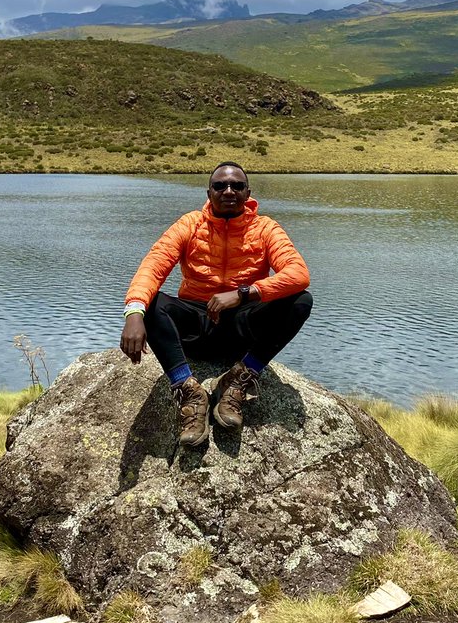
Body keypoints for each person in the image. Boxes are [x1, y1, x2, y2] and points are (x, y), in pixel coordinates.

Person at [120, 162, 313, 447]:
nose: (228, 191)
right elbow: (153, 266)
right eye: (220, 185)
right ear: (209, 192)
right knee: (153, 301)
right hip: (195, 328)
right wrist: (134, 311)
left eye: (237, 185)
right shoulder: (190, 224)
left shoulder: (265, 228)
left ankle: (238, 380)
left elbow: (298, 274)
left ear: (248, 192)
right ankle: (188, 391)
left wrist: (244, 293)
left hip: (241, 329)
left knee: (300, 301)